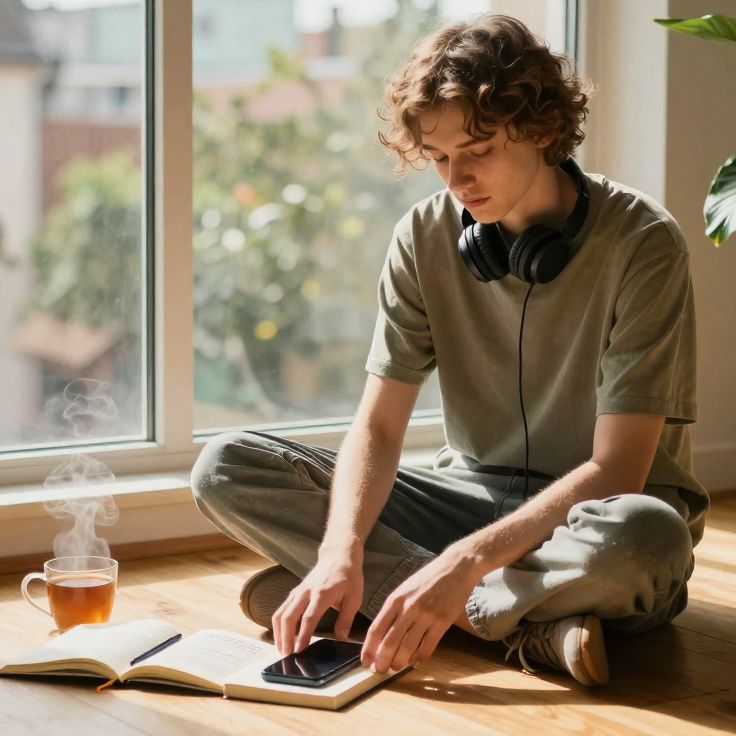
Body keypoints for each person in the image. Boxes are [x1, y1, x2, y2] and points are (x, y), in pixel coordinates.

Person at [190, 13, 708, 688]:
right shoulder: (421, 237)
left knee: (648, 538)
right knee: (224, 466)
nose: (457, 179)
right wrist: (342, 548)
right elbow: (378, 425)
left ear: (543, 128)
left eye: (479, 148)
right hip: (466, 498)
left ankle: (389, 599)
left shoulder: (644, 244)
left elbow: (616, 472)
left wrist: (460, 564)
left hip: (595, 518)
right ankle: (531, 629)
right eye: (438, 158)